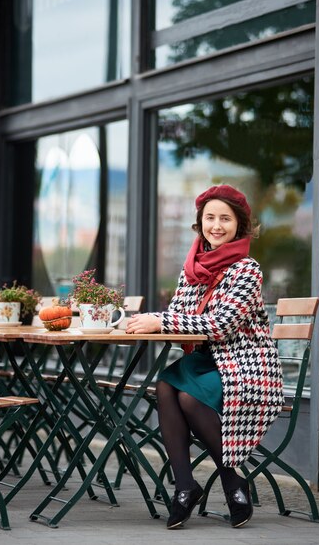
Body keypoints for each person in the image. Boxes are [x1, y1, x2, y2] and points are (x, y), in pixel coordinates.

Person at [126, 184, 284, 530]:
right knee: (166, 385)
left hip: (247, 363)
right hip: (208, 360)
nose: (216, 225)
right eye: (209, 217)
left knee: (188, 396)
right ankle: (185, 486)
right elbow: (180, 312)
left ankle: (231, 481)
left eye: (225, 219)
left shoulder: (247, 270)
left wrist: (160, 320)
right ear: (199, 223)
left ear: (239, 225)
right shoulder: (192, 268)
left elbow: (220, 325)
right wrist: (151, 320)